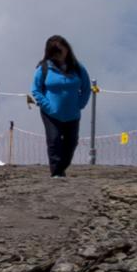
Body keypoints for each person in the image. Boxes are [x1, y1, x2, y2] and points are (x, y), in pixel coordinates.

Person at [33, 34, 93, 178]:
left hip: (72, 113)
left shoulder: (78, 68)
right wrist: (47, 106)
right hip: (50, 113)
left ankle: (61, 168)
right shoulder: (44, 68)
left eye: (61, 50)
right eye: (55, 51)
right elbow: (36, 89)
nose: (59, 54)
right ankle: (56, 173)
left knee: (71, 143)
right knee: (54, 141)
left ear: (67, 49)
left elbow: (86, 88)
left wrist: (80, 104)